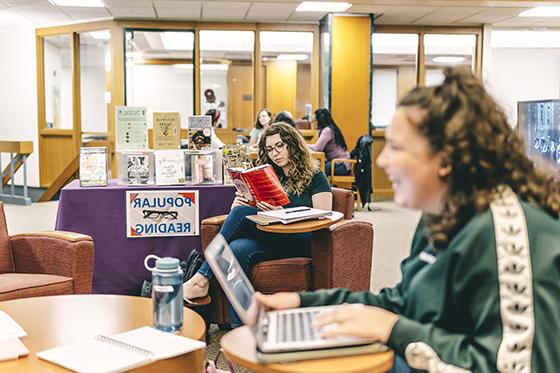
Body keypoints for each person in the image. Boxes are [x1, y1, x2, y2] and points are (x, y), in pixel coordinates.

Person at [255, 66, 560, 372]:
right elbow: (402, 303)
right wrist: (302, 304)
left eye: (397, 147)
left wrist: (392, 330)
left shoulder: (509, 232)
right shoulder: (439, 217)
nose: (383, 160)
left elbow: (517, 366)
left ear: (445, 159)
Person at [183, 122, 332, 326]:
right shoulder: (271, 176)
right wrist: (241, 201)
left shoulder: (316, 176)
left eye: (280, 145)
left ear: (292, 144)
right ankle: (240, 327)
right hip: (272, 237)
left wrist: (285, 214)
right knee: (235, 248)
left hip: (303, 239)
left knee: (241, 214)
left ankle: (202, 278)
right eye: (270, 149)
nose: (275, 153)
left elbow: (324, 218)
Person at [309, 108, 351, 176]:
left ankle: (323, 187)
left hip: (341, 165)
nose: (313, 123)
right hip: (341, 163)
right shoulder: (331, 128)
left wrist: (303, 145)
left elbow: (317, 148)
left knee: (316, 170)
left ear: (319, 121)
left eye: (314, 121)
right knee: (316, 168)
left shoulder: (327, 130)